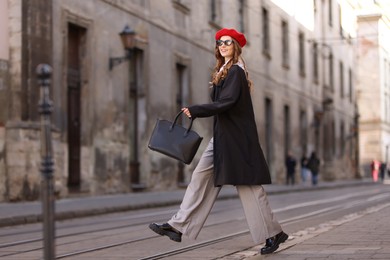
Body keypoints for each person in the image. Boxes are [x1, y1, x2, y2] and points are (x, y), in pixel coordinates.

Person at [148, 28, 288, 255]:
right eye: (219, 42)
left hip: (237, 140)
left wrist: (196, 110)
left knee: (250, 188)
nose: (222, 45)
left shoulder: (235, 72)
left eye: (227, 42)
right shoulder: (225, 71)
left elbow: (227, 102)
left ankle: (273, 233)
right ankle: (178, 225)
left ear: (236, 46)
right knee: (201, 177)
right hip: (224, 138)